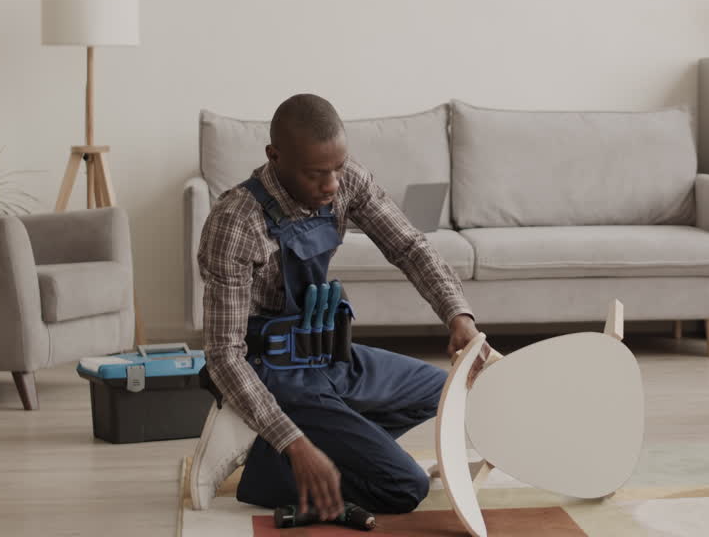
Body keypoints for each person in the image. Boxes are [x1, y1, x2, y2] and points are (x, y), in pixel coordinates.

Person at [189, 93, 486, 519]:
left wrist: (458, 315)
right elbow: (223, 355)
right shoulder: (236, 223)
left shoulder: (345, 179)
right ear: (275, 156)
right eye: (315, 174)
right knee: (404, 486)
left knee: (443, 391)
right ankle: (288, 453)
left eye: (337, 169)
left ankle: (277, 458)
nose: (331, 186)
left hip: (327, 355)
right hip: (272, 369)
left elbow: (409, 245)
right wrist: (295, 441)